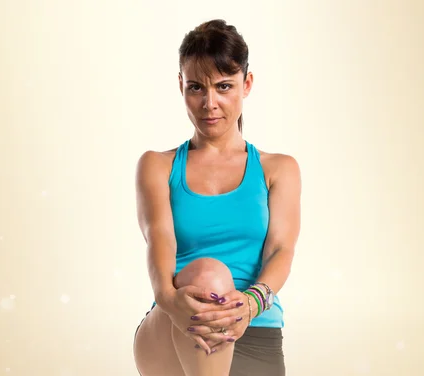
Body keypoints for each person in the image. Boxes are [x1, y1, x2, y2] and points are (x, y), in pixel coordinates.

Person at [132, 19, 302, 376]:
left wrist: (251, 304)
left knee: (218, 283)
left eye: (224, 86)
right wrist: (169, 299)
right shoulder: (157, 166)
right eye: (196, 87)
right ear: (181, 86)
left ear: (247, 84)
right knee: (210, 277)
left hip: (255, 328)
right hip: (178, 322)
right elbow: (159, 242)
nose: (210, 103)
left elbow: (281, 251)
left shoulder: (278, 169)